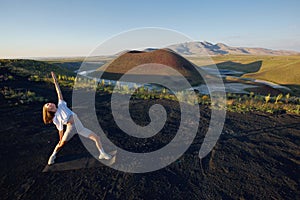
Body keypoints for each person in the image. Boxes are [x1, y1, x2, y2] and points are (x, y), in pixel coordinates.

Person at [43, 72, 111, 165]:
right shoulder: (55, 118)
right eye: (48, 105)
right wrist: (60, 138)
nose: (50, 103)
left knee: (96, 137)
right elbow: (60, 129)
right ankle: (53, 155)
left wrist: (55, 81)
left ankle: (102, 153)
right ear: (49, 110)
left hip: (79, 126)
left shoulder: (61, 104)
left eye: (49, 103)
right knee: (61, 144)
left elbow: (59, 92)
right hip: (70, 128)